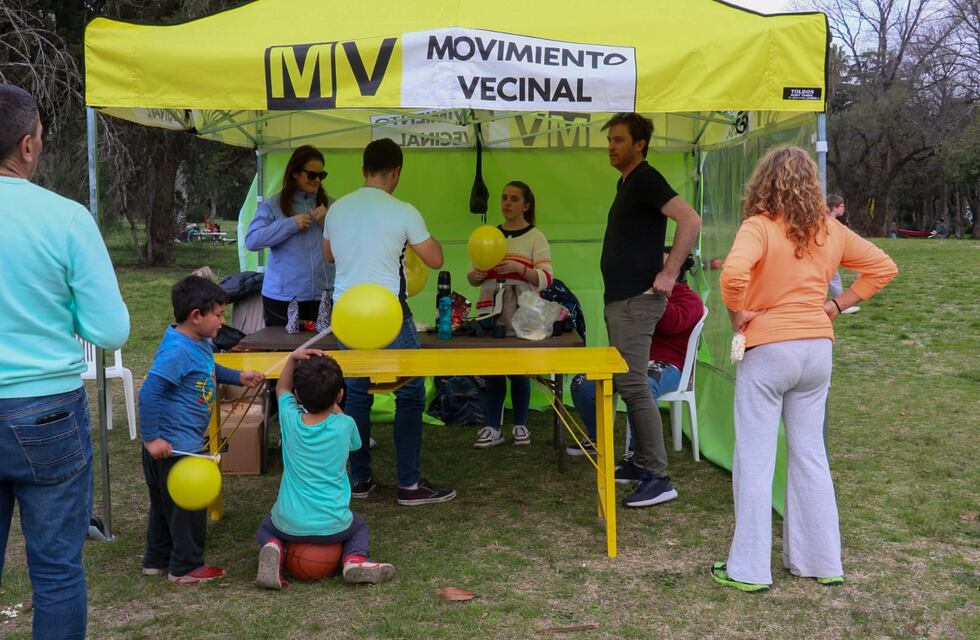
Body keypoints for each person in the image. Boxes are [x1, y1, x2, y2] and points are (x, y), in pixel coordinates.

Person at [713, 146, 897, 592]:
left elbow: (733, 274)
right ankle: (821, 560)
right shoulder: (829, 229)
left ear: (763, 182)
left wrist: (738, 314)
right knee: (810, 454)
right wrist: (836, 305)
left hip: (770, 348)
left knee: (755, 460)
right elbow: (883, 267)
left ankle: (749, 570)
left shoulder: (758, 225)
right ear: (812, 184)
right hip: (817, 349)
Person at [0, 84, 130, 640]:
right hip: (46, 410)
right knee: (55, 573)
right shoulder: (65, 217)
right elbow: (110, 329)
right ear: (28, 145)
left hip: (39, 410)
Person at [322, 138, 455, 506]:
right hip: (389, 316)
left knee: (356, 397)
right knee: (409, 394)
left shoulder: (336, 210)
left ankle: (360, 480)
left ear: (363, 169)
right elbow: (435, 259)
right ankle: (409, 485)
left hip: (347, 316)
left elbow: (329, 255)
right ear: (396, 171)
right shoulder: (403, 210)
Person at [599, 113, 702, 508]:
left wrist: (670, 272)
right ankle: (642, 463)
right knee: (628, 384)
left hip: (637, 301)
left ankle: (659, 476)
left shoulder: (645, 177)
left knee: (634, 385)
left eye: (620, 140)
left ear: (639, 144)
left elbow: (690, 220)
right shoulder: (626, 182)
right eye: (610, 140)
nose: (612, 146)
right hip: (622, 300)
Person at [138, 276, 264, 585]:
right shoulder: (177, 351)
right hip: (175, 447)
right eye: (219, 315)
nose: (223, 322)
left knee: (165, 506)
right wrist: (153, 438)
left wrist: (238, 376)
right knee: (188, 508)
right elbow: (149, 393)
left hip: (174, 444)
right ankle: (186, 566)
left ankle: (156, 560)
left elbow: (208, 368)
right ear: (196, 316)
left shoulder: (198, 343)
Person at [255, 349, 395, 589]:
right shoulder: (345, 424)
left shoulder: (290, 418)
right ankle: (354, 559)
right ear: (340, 394)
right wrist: (336, 405)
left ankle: (274, 546)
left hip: (288, 522)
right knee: (359, 527)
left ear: (298, 395)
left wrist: (292, 359)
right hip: (335, 524)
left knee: (265, 528)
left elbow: (281, 389)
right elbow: (357, 444)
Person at [570, 248, 701, 460]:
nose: (657, 272)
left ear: (676, 272)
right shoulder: (639, 295)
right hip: (631, 360)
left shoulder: (690, 299)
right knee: (582, 383)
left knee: (641, 388)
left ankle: (637, 454)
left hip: (670, 366)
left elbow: (672, 324)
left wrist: (659, 298)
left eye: (664, 268)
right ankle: (596, 439)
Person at [467, 181, 553, 448]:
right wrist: (476, 274)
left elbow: (547, 278)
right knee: (493, 369)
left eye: (514, 199)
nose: (507, 203)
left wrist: (519, 268)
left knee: (519, 369)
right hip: (490, 308)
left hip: (520, 312)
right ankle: (493, 426)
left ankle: (520, 425)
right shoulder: (489, 234)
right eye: (504, 198)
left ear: (526, 205)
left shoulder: (535, 236)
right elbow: (472, 276)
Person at [245, 145, 334, 327]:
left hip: (325, 296)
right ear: (295, 173)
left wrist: (328, 224)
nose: (317, 180)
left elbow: (350, 246)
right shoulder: (273, 206)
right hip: (282, 298)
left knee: (323, 353)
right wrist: (290, 224)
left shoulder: (332, 206)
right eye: (312, 175)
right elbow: (252, 241)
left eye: (321, 175)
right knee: (283, 353)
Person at [826, 194, 859, 314]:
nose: (843, 208)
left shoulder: (831, 221)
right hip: (824, 257)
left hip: (826, 256)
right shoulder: (828, 221)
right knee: (833, 278)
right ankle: (842, 305)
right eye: (841, 205)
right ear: (834, 207)